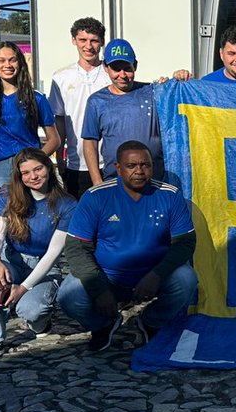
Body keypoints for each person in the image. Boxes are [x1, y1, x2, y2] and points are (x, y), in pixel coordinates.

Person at [58, 141, 198, 352]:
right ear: (118, 168)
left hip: (153, 275)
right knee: (69, 295)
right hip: (106, 275)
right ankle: (104, 325)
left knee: (187, 280)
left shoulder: (170, 195)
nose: (139, 171)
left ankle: (151, 322)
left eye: (145, 165)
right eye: (132, 166)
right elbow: (77, 248)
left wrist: (157, 275)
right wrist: (99, 290)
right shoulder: (96, 196)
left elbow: (184, 242)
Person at [0, 149, 77, 357]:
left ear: (49, 168)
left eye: (38, 169)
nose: (33, 177)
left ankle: (41, 322)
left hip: (44, 265)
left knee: (30, 310)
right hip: (13, 260)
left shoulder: (67, 204)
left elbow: (53, 254)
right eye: (26, 173)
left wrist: (22, 289)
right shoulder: (7, 196)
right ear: (19, 176)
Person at [0, 41, 60, 209]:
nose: (7, 65)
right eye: (1, 60)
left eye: (12, 60)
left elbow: (54, 139)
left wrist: (35, 162)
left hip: (29, 168)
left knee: (34, 222)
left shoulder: (36, 97)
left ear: (20, 62)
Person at [81, 39, 166, 186]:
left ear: (135, 66)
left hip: (153, 182)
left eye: (127, 68)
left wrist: (180, 79)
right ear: (105, 67)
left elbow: (180, 97)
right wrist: (96, 181)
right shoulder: (96, 101)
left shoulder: (154, 92)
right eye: (116, 69)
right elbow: (90, 141)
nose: (122, 74)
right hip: (115, 182)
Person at [48, 17, 111, 197]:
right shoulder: (61, 77)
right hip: (76, 163)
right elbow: (59, 120)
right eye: (83, 40)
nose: (88, 46)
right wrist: (60, 157)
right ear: (74, 40)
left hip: (110, 162)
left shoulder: (110, 75)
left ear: (102, 42)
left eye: (94, 41)